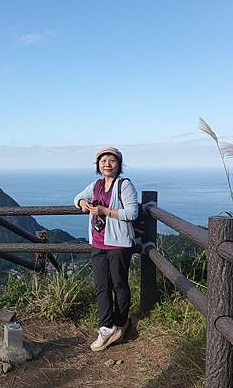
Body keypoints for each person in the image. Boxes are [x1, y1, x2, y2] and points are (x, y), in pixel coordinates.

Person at [74, 147, 138, 351]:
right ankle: (106, 327)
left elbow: (132, 213)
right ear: (98, 165)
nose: (107, 164)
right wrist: (83, 202)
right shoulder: (96, 185)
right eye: (103, 161)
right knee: (102, 286)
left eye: (112, 160)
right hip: (98, 242)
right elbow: (77, 198)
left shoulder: (124, 185)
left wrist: (105, 211)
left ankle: (121, 323)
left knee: (119, 284)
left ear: (119, 164)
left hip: (119, 244)